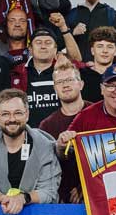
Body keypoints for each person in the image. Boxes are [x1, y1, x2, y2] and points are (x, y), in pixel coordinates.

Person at [0, 89, 61, 214]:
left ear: (27, 114)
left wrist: (23, 198)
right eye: (5, 114)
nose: (12, 119)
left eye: (18, 113)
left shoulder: (45, 144)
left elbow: (49, 191)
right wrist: (4, 199)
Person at [39, 65, 90, 203]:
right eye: (60, 82)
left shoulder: (98, 114)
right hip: (62, 199)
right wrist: (59, 149)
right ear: (55, 88)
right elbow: (46, 168)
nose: (65, 85)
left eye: (69, 80)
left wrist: (87, 187)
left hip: (97, 192)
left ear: (81, 84)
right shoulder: (46, 125)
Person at [15, 28, 70, 126]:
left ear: (55, 49)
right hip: (29, 132)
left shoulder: (68, 70)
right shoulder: (16, 72)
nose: (43, 46)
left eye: (48, 43)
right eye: (38, 42)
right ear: (30, 49)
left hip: (64, 131)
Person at [79, 26, 116, 105]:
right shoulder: (80, 76)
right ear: (92, 50)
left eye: (110, 47)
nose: (105, 51)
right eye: (100, 46)